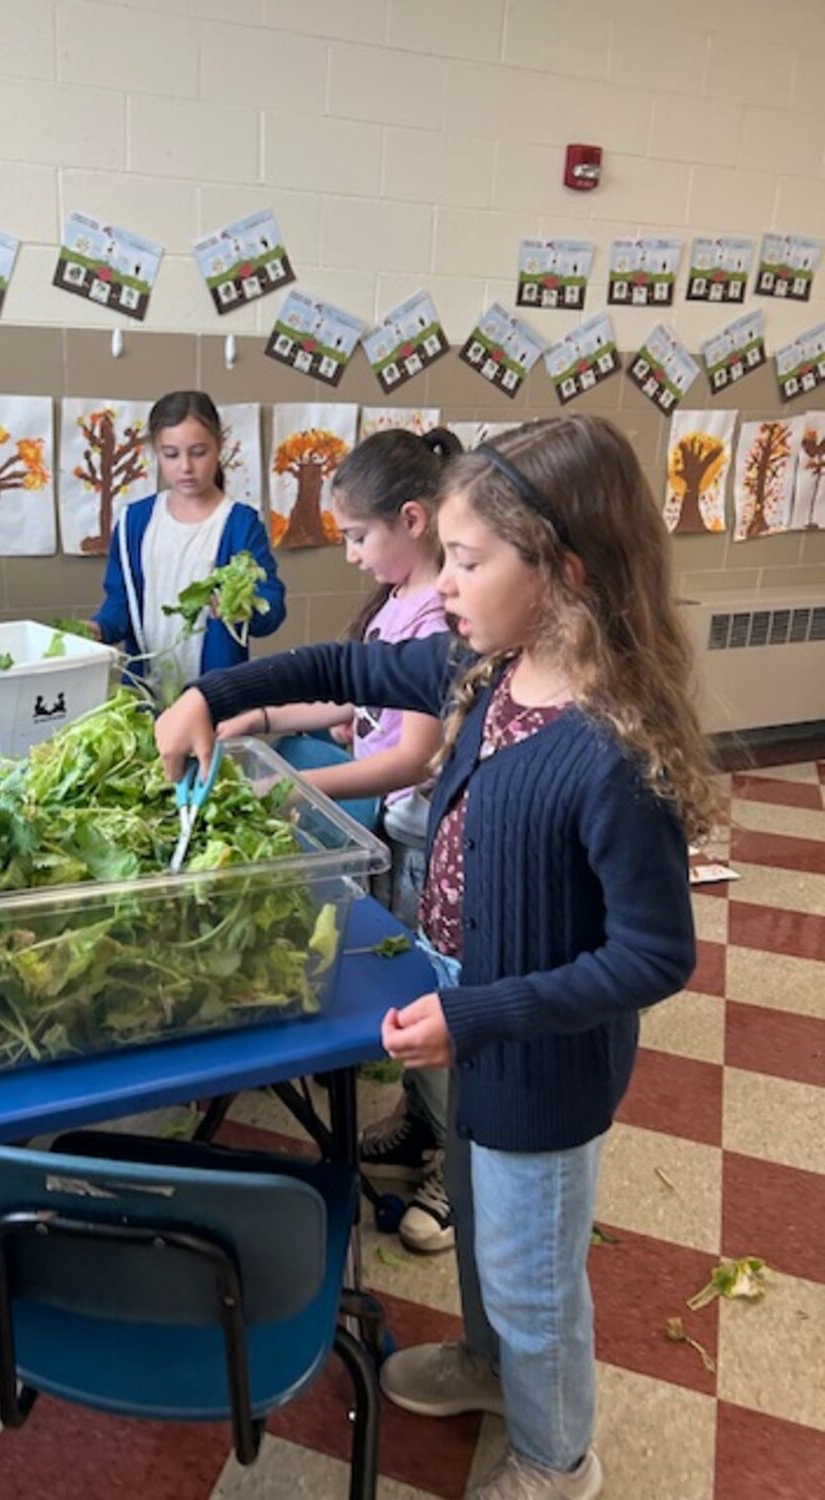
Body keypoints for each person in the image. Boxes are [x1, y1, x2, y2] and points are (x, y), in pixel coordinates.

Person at [154, 414, 716, 1500]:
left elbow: (653, 957)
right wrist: (210, 695)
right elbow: (345, 658)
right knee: (472, 1204)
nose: (443, 584)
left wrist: (480, 1017)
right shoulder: (487, 665)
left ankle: (559, 1458)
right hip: (473, 1013)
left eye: (467, 561)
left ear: (565, 570)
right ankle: (489, 1364)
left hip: (538, 1053)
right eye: (446, 558)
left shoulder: (611, 751)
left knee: (534, 1272)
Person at [216, 425, 462, 1254]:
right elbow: (349, 694)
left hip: (425, 834)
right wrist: (259, 713)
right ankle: (419, 1125)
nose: (351, 555)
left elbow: (410, 754)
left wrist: (288, 787)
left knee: (434, 997)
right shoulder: (396, 602)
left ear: (413, 520)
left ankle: (454, 1172)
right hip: (397, 828)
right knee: (404, 993)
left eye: (359, 536)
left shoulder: (437, 617)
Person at [88, 390, 285, 700]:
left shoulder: (240, 524)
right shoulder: (133, 522)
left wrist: (242, 606)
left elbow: (272, 607)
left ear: (219, 446)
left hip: (216, 695)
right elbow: (121, 601)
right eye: (171, 454)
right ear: (155, 452)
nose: (185, 467)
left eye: (198, 452)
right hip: (144, 691)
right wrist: (99, 629)